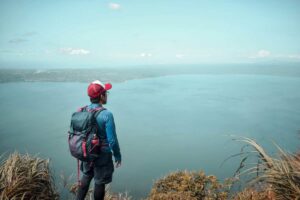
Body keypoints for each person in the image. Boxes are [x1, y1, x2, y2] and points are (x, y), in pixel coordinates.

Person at [76, 80, 122, 200]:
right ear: (101, 96)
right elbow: (112, 140)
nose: (107, 95)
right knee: (99, 182)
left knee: (86, 175)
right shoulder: (107, 115)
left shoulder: (82, 111)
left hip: (87, 152)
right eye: (106, 93)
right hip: (102, 155)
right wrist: (117, 156)